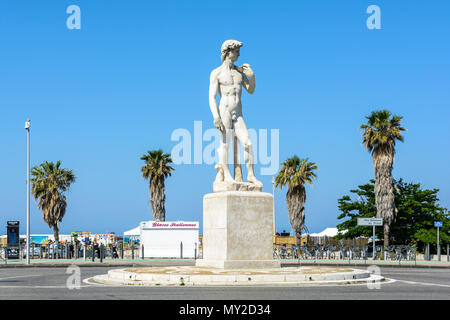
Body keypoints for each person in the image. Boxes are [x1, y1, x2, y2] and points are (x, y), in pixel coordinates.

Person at [209, 40, 262, 187]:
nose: (239, 54)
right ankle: (226, 174)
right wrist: (216, 116)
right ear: (227, 52)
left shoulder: (239, 73)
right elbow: (212, 97)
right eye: (236, 51)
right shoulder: (217, 73)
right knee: (225, 144)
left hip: (238, 113)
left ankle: (251, 175)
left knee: (248, 143)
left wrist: (251, 77)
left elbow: (250, 90)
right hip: (224, 111)